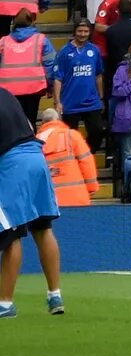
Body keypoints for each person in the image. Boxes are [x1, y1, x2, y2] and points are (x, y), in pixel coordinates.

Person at [0, 85, 64, 318]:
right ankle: (55, 295)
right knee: (42, 228)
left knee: (11, 234)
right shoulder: (6, 94)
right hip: (37, 158)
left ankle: (5, 304)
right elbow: (28, 126)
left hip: (12, 163)